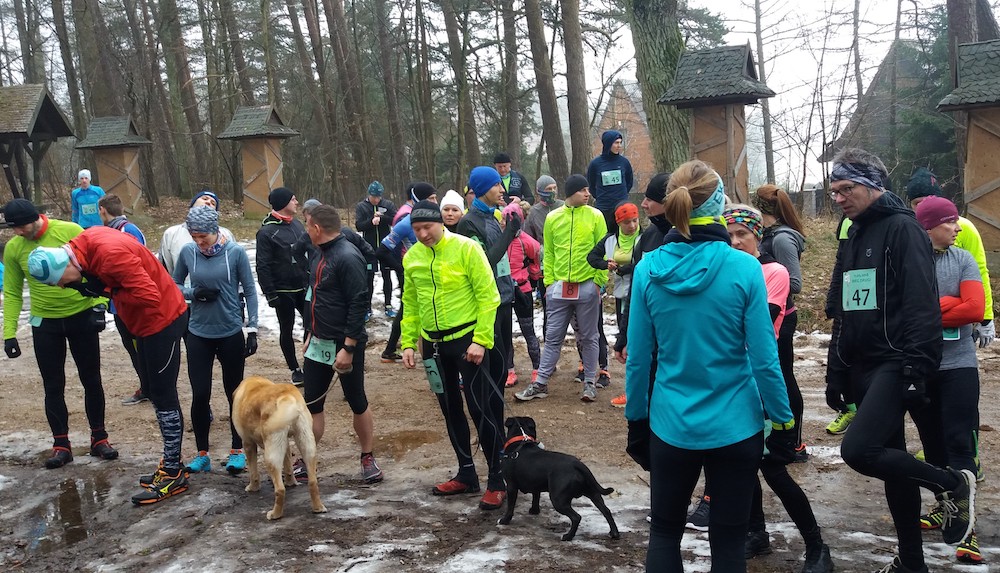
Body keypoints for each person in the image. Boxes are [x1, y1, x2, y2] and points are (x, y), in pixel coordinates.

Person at [623, 160, 795, 572]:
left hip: (670, 424)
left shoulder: (648, 269)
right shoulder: (745, 267)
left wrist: (636, 422)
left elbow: (638, 359)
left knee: (664, 533)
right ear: (719, 205)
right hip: (736, 425)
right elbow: (764, 358)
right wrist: (783, 421)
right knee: (730, 541)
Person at [825, 148, 976, 573]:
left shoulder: (903, 228)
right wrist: (837, 369)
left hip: (896, 361)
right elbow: (843, 305)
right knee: (893, 466)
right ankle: (912, 562)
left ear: (873, 185)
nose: (838, 198)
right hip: (862, 364)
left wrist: (917, 368)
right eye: (834, 191)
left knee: (860, 450)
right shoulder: (853, 232)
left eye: (846, 189)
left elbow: (921, 305)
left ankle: (951, 484)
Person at [29, 225, 189, 505]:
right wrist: (102, 287)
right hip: (144, 324)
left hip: (163, 319)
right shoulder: (84, 243)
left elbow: (149, 296)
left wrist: (104, 289)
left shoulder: (110, 256)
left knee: (164, 396)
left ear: (65, 265)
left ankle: (173, 473)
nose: (62, 287)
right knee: (153, 391)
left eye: (59, 281)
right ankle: (172, 462)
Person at [723, 204, 834, 572]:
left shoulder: (774, 271)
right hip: (735, 386)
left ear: (757, 235)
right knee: (743, 466)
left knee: (774, 469)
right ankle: (757, 533)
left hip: (765, 383)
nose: (735, 241)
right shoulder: (727, 271)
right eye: (729, 235)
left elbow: (759, 324)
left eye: (743, 234)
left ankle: (816, 545)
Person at [398, 201, 505, 510]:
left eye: (427, 227)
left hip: (468, 340)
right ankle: (466, 473)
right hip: (433, 345)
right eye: (416, 229)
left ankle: (498, 479)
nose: (422, 234)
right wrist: (408, 342)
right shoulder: (413, 257)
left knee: (480, 408)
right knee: (450, 409)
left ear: (440, 223)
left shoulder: (466, 248)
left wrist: (481, 340)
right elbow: (411, 301)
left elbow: (489, 296)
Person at [2, 199, 118, 469]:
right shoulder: (14, 247)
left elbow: (99, 270)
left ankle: (99, 438)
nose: (17, 232)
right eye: (13, 228)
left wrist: (100, 306)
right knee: (53, 385)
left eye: (20, 226)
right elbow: (12, 292)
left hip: (81, 316)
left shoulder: (70, 231)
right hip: (45, 324)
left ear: (34, 218)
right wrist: (9, 334)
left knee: (91, 379)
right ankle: (61, 445)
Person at [911, 196, 985, 565]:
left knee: (960, 443)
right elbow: (901, 312)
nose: (957, 228)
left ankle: (969, 532)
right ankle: (945, 507)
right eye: (949, 222)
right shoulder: (911, 261)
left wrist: (928, 311)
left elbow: (975, 308)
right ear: (928, 226)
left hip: (959, 366)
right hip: (922, 367)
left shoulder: (963, 259)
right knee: (933, 446)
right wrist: (950, 304)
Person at [124, 188, 235, 406]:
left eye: (213, 202)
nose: (209, 202)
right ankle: (198, 404)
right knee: (191, 357)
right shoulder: (172, 234)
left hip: (217, 306)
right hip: (180, 305)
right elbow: (164, 270)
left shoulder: (226, 235)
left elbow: (235, 274)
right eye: (204, 199)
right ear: (191, 205)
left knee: (224, 361)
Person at [172, 206, 259, 476]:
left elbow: (250, 289)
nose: (199, 242)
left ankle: (237, 450)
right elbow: (173, 285)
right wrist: (193, 293)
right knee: (200, 394)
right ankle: (202, 454)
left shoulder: (235, 253)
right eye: (194, 236)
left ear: (215, 230)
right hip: (198, 332)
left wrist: (252, 328)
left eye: (203, 237)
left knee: (234, 394)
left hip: (230, 331)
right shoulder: (188, 253)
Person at [301, 205, 384, 484]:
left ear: (316, 228)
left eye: (307, 225)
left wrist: (348, 347)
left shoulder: (348, 257)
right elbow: (314, 297)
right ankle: (307, 458)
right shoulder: (317, 253)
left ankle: (367, 456)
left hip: (345, 342)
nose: (306, 231)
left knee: (357, 400)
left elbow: (358, 304)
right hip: (319, 340)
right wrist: (310, 332)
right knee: (312, 402)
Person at [515, 174, 607, 403]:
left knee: (589, 337)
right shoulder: (553, 218)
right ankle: (540, 383)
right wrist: (549, 283)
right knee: (553, 337)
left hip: (587, 285)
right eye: (583, 190)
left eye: (588, 190)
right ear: (571, 192)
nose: (587, 194)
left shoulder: (596, 216)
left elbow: (604, 250)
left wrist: (598, 282)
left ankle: (589, 383)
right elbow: (549, 252)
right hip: (559, 288)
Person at [906, 167, 994, 351]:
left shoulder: (965, 228)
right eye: (917, 203)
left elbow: (980, 271)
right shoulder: (905, 230)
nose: (923, 207)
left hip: (957, 320)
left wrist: (986, 318)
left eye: (928, 200)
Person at [752, 185, 809, 460]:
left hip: (782, 316)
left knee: (783, 377)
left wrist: (770, 277)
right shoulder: (768, 234)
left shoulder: (782, 239)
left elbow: (795, 283)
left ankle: (795, 443)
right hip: (766, 311)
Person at [610, 172, 672, 408]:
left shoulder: (688, 236)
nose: (643, 204)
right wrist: (624, 336)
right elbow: (635, 291)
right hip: (648, 334)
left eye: (650, 199)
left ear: (668, 202)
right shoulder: (648, 237)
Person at [460, 167, 522, 400]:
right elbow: (485, 261)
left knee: (502, 367)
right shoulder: (468, 223)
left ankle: (497, 414)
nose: (501, 189)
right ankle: (487, 415)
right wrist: (509, 234)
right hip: (488, 303)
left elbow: (501, 258)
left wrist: (512, 286)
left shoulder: (492, 216)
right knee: (491, 368)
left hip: (504, 297)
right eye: (496, 184)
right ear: (483, 188)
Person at [98, 194, 150, 407]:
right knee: (132, 347)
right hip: (118, 304)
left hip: (131, 304)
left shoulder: (128, 231)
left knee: (141, 348)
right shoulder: (111, 231)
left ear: (102, 210)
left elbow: (137, 265)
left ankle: (150, 387)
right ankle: (147, 385)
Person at [377, 182, 439, 362]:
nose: (435, 202)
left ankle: (392, 350)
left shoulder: (436, 219)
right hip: (414, 274)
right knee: (408, 311)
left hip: (432, 272)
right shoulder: (406, 222)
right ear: (418, 200)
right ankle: (393, 350)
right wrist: (401, 268)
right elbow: (381, 251)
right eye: (431, 198)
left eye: (435, 198)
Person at [256, 187, 309, 385]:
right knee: (286, 329)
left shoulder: (297, 224)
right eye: (293, 199)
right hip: (282, 290)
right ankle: (295, 369)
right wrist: (270, 293)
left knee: (312, 324)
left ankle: (310, 363)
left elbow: (307, 252)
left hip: (303, 286)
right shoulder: (266, 231)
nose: (297, 202)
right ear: (283, 203)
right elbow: (262, 265)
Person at [587, 201, 641, 372]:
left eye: (635, 220)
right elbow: (591, 258)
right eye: (627, 222)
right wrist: (606, 264)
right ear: (618, 223)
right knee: (624, 333)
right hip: (620, 294)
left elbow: (648, 262)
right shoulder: (610, 239)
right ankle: (629, 374)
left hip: (640, 292)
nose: (632, 226)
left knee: (638, 334)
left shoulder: (645, 237)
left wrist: (630, 268)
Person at [503, 202, 541, 387]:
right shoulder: (499, 239)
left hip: (522, 290)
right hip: (503, 292)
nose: (508, 223)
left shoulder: (528, 242)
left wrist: (533, 280)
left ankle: (537, 369)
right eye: (505, 219)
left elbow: (535, 263)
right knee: (505, 333)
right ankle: (509, 370)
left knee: (528, 331)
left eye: (513, 219)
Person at [355, 181, 399, 320]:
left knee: (387, 275)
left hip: (385, 248)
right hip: (368, 248)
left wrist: (383, 218)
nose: (376, 200)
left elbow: (395, 221)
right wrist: (370, 222)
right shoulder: (362, 206)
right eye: (374, 197)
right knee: (369, 277)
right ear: (369, 195)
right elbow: (359, 226)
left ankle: (388, 305)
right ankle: (367, 308)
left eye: (379, 197)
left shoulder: (388, 204)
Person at [586, 130, 633, 234]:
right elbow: (591, 184)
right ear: (608, 144)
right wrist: (600, 196)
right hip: (604, 207)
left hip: (622, 206)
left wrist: (621, 194)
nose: (619, 146)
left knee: (624, 235)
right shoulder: (595, 164)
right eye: (616, 143)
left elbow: (629, 182)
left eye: (620, 142)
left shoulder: (624, 162)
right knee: (605, 235)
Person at [523, 175, 563, 243]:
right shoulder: (533, 212)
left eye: (554, 188)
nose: (553, 191)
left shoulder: (564, 206)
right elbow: (528, 238)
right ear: (540, 191)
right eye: (549, 189)